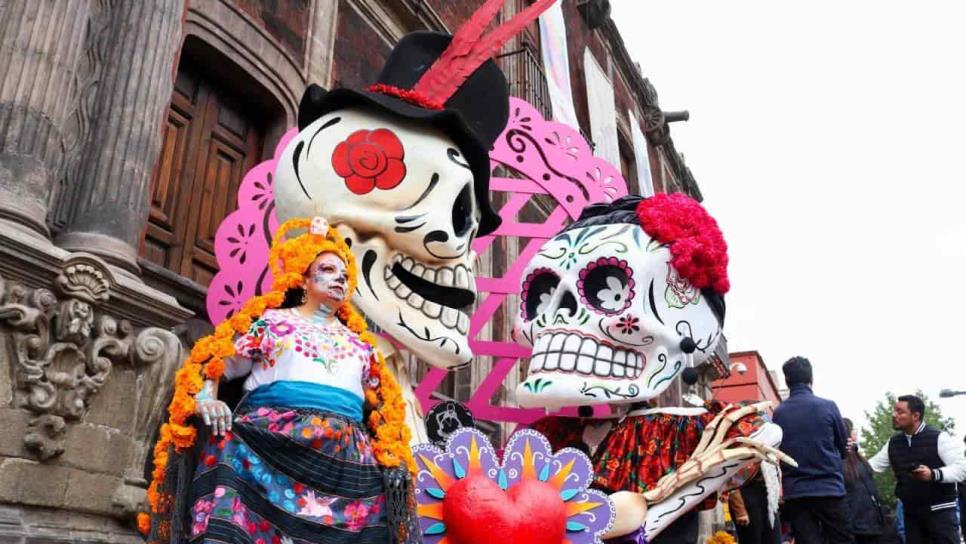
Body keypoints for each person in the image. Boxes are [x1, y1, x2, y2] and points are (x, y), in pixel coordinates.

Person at [141, 217, 418, 543]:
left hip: (343, 460)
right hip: (269, 443)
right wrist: (206, 400)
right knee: (227, 454)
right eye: (328, 269)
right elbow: (214, 364)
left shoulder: (362, 346)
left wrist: (394, 454)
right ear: (302, 279)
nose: (340, 278)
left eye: (344, 274)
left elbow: (384, 411)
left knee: (381, 500)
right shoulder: (272, 323)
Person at [772, 356, 854, 543]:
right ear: (811, 379)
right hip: (829, 488)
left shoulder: (779, 413)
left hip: (797, 492)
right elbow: (843, 448)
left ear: (787, 381)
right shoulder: (828, 406)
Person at [867, 395, 966, 544]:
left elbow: (961, 469)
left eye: (900, 412)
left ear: (915, 416)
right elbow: (870, 467)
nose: (894, 415)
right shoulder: (893, 443)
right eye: (894, 411)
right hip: (912, 515)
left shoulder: (939, 437)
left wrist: (933, 474)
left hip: (941, 513)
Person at [842, 418, 885, 543]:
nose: (855, 434)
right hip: (862, 526)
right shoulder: (850, 462)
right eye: (853, 430)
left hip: (864, 524)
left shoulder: (856, 460)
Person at [728, 466, 782, 544]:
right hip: (747, 493)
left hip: (768, 494)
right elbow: (731, 477)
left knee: (774, 538)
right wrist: (739, 509)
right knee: (752, 539)